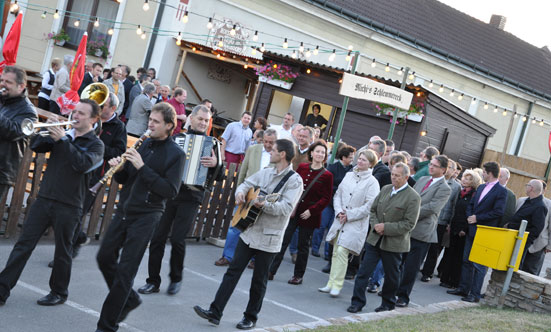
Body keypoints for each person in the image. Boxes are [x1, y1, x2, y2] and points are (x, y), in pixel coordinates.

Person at [0, 99, 104, 306]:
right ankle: (2, 290)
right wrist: (49, 131)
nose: (75, 116)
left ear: (93, 119)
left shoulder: (96, 145)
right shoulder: (62, 135)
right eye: (75, 111)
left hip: (70, 204)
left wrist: (64, 141)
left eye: (82, 114)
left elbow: (82, 165)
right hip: (45, 198)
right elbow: (36, 145)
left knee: (63, 251)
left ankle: (59, 292)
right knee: (23, 245)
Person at [194, 139, 302, 329]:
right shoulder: (267, 172)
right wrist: (240, 193)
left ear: (283, 154)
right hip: (249, 231)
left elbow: (286, 208)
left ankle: (250, 318)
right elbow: (246, 183)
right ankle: (215, 311)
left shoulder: (294, 180)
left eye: (274, 150)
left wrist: (264, 205)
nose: (271, 152)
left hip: (270, 237)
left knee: (259, 280)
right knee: (232, 272)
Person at [95, 103, 185, 332]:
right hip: (126, 209)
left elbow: (170, 190)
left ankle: (106, 326)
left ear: (169, 126)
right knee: (104, 257)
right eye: (150, 120)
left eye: (155, 121)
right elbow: (127, 179)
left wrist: (142, 167)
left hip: (148, 214)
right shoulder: (144, 144)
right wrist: (120, 168)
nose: (150, 124)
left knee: (126, 271)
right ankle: (129, 299)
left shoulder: (176, 154)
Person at [138, 105, 221, 296]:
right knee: (157, 238)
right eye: (200, 119)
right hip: (169, 193)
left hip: (192, 196)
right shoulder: (176, 139)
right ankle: (153, 281)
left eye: (206, 120)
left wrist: (216, 164)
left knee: (178, 239)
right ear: (190, 118)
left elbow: (218, 177)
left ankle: (176, 278)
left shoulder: (213, 144)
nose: (202, 123)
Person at [47, 92, 127, 267]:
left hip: (95, 175)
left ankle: (64, 255)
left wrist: (95, 144)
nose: (99, 107)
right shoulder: (89, 119)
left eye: (103, 105)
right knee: (64, 214)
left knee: (76, 214)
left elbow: (118, 152)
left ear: (113, 108)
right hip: (72, 170)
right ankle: (80, 237)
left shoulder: (118, 127)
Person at [347, 162, 421, 313]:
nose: (393, 178)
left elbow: (409, 224)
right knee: (363, 272)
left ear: (406, 177)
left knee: (392, 276)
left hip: (394, 243)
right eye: (392, 174)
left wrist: (385, 228)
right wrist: (376, 225)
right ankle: (357, 301)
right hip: (374, 239)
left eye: (397, 176)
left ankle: (387, 303)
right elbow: (373, 210)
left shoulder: (413, 197)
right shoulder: (386, 189)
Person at [269, 140, 333, 285]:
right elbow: (294, 185)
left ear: (325, 156)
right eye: (317, 151)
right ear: (311, 153)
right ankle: (271, 270)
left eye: (322, 152)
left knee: (302, 246)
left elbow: (326, 198)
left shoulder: (327, 175)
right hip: (293, 210)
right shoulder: (303, 167)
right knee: (283, 241)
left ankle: (298, 275)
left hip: (309, 215)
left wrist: (312, 211)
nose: (319, 154)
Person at [320, 149, 380, 297]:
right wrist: (339, 210)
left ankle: (337, 285)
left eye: (364, 160)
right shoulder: (348, 175)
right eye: (359, 158)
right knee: (335, 251)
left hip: (355, 223)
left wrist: (350, 215)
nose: (360, 161)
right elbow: (338, 195)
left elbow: (369, 206)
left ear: (371, 163)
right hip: (340, 218)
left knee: (342, 251)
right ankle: (330, 283)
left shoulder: (372, 182)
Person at [214, 129, 278, 267]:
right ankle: (228, 256)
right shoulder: (253, 149)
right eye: (265, 141)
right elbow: (243, 172)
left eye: (271, 142)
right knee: (236, 226)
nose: (267, 145)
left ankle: (254, 260)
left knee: (258, 228)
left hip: (264, 198)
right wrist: (239, 191)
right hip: (247, 194)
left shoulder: (278, 156)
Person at [395, 155, 451, 308]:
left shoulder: (445, 188)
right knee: (399, 261)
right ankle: (394, 289)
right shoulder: (422, 180)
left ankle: (403, 296)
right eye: (430, 164)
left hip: (422, 231)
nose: (430, 167)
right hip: (407, 228)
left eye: (435, 166)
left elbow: (432, 208)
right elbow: (409, 196)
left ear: (443, 170)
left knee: (411, 267)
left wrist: (410, 213)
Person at [447, 161, 507, 303]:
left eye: (484, 172)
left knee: (479, 265)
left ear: (490, 173)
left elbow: (498, 212)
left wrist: (477, 218)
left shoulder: (501, 191)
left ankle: (474, 294)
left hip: (485, 232)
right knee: (466, 260)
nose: (483, 174)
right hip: (472, 229)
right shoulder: (480, 187)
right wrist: (470, 216)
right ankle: (463, 288)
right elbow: (471, 205)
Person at [0, 66, 38, 206]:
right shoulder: (2, 100)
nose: (3, 84)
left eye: (8, 82)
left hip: (2, 171)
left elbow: (13, 131)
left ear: (21, 86)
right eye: (2, 80)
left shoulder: (29, 112)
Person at [313, 145, 356, 263]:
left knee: (334, 228)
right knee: (321, 225)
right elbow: (327, 184)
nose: (352, 160)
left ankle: (328, 252)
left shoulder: (352, 170)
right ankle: (315, 248)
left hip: (341, 205)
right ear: (343, 157)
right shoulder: (332, 167)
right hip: (329, 202)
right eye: (350, 157)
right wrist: (339, 189)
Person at [439, 169, 482, 289]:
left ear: (473, 182)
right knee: (449, 253)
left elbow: (470, 213)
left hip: (463, 229)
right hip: (454, 226)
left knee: (458, 256)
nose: (463, 179)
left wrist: (465, 228)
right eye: (463, 177)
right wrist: (450, 224)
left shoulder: (474, 195)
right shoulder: (461, 192)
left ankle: (454, 281)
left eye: (467, 179)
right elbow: (454, 209)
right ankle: (445, 278)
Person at [420, 159, 461, 282]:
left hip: (442, 220)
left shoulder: (455, 186)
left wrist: (449, 222)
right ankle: (417, 266)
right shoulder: (430, 180)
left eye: (451, 168)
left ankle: (427, 272)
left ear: (454, 171)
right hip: (429, 217)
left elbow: (454, 206)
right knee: (423, 245)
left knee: (435, 248)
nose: (448, 170)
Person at [507, 180, 547, 274]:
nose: (526, 187)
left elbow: (537, 229)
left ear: (531, 188)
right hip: (513, 239)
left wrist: (524, 241)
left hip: (521, 242)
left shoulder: (540, 206)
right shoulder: (528, 201)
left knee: (515, 267)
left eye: (527, 185)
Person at [517, 181, 551, 276]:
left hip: (538, 245)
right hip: (519, 242)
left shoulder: (548, 205)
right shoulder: (521, 200)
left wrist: (549, 246)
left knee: (531, 272)